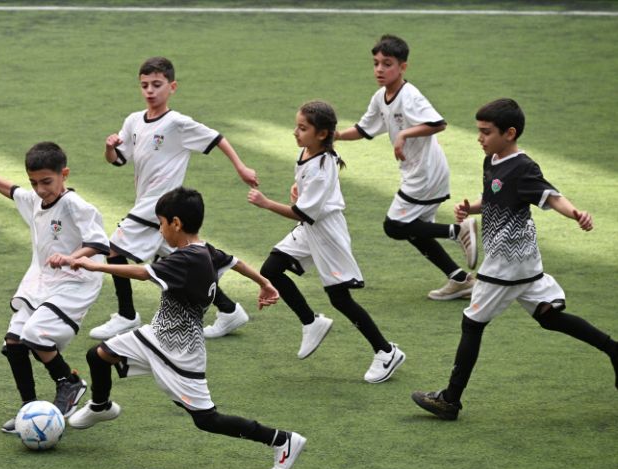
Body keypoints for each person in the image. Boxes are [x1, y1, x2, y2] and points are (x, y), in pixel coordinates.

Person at [59, 187, 306, 469]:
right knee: (99, 355)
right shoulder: (205, 250)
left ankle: (281, 439)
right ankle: (101, 406)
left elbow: (143, 273)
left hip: (181, 352)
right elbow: (235, 261)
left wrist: (92, 265)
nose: (160, 230)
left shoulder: (187, 259)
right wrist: (264, 282)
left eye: (161, 223)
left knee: (207, 419)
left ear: (176, 223)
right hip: (155, 337)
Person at [412, 99, 618, 420]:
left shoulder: (523, 168)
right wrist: (471, 208)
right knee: (549, 317)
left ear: (509, 133)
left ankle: (450, 400)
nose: (479, 137)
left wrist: (576, 214)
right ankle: (613, 349)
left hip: (505, 266)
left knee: (472, 324)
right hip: (525, 264)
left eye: (486, 132)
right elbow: (494, 197)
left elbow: (552, 197)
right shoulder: (492, 160)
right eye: (479, 131)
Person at [89, 56, 260, 341]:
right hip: (149, 203)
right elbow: (117, 160)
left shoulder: (178, 123)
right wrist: (109, 148)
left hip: (160, 203)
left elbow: (217, 138)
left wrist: (241, 167)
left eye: (157, 84)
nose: (150, 90)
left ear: (172, 87)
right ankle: (229, 310)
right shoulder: (133, 121)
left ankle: (126, 315)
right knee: (180, 261)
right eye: (145, 85)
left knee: (114, 248)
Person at [0, 142, 111, 433]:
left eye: (46, 182)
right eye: (34, 182)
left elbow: (100, 242)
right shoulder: (36, 200)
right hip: (41, 281)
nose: (40, 189)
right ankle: (29, 409)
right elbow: (12, 190)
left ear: (64, 174)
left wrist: (71, 258)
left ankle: (69, 382)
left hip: (76, 282)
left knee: (36, 334)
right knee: (14, 342)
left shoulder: (75, 205)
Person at [247, 101, 406, 383]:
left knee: (340, 299)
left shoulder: (321, 167)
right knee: (271, 269)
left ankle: (385, 352)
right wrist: (300, 188)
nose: (295, 132)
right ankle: (311, 322)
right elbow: (308, 191)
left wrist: (266, 203)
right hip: (310, 228)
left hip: (327, 234)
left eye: (302, 128)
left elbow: (302, 212)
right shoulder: (309, 151)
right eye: (296, 126)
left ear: (321, 134)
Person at [335, 34, 478, 301]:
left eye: (387, 64)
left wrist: (403, 135)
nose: (379, 69)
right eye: (376, 63)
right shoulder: (380, 97)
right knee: (415, 230)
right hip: (419, 171)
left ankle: (458, 231)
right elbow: (364, 129)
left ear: (403, 67)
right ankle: (460, 280)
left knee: (395, 226)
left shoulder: (410, 96)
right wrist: (338, 136)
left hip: (425, 173)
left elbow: (438, 124)